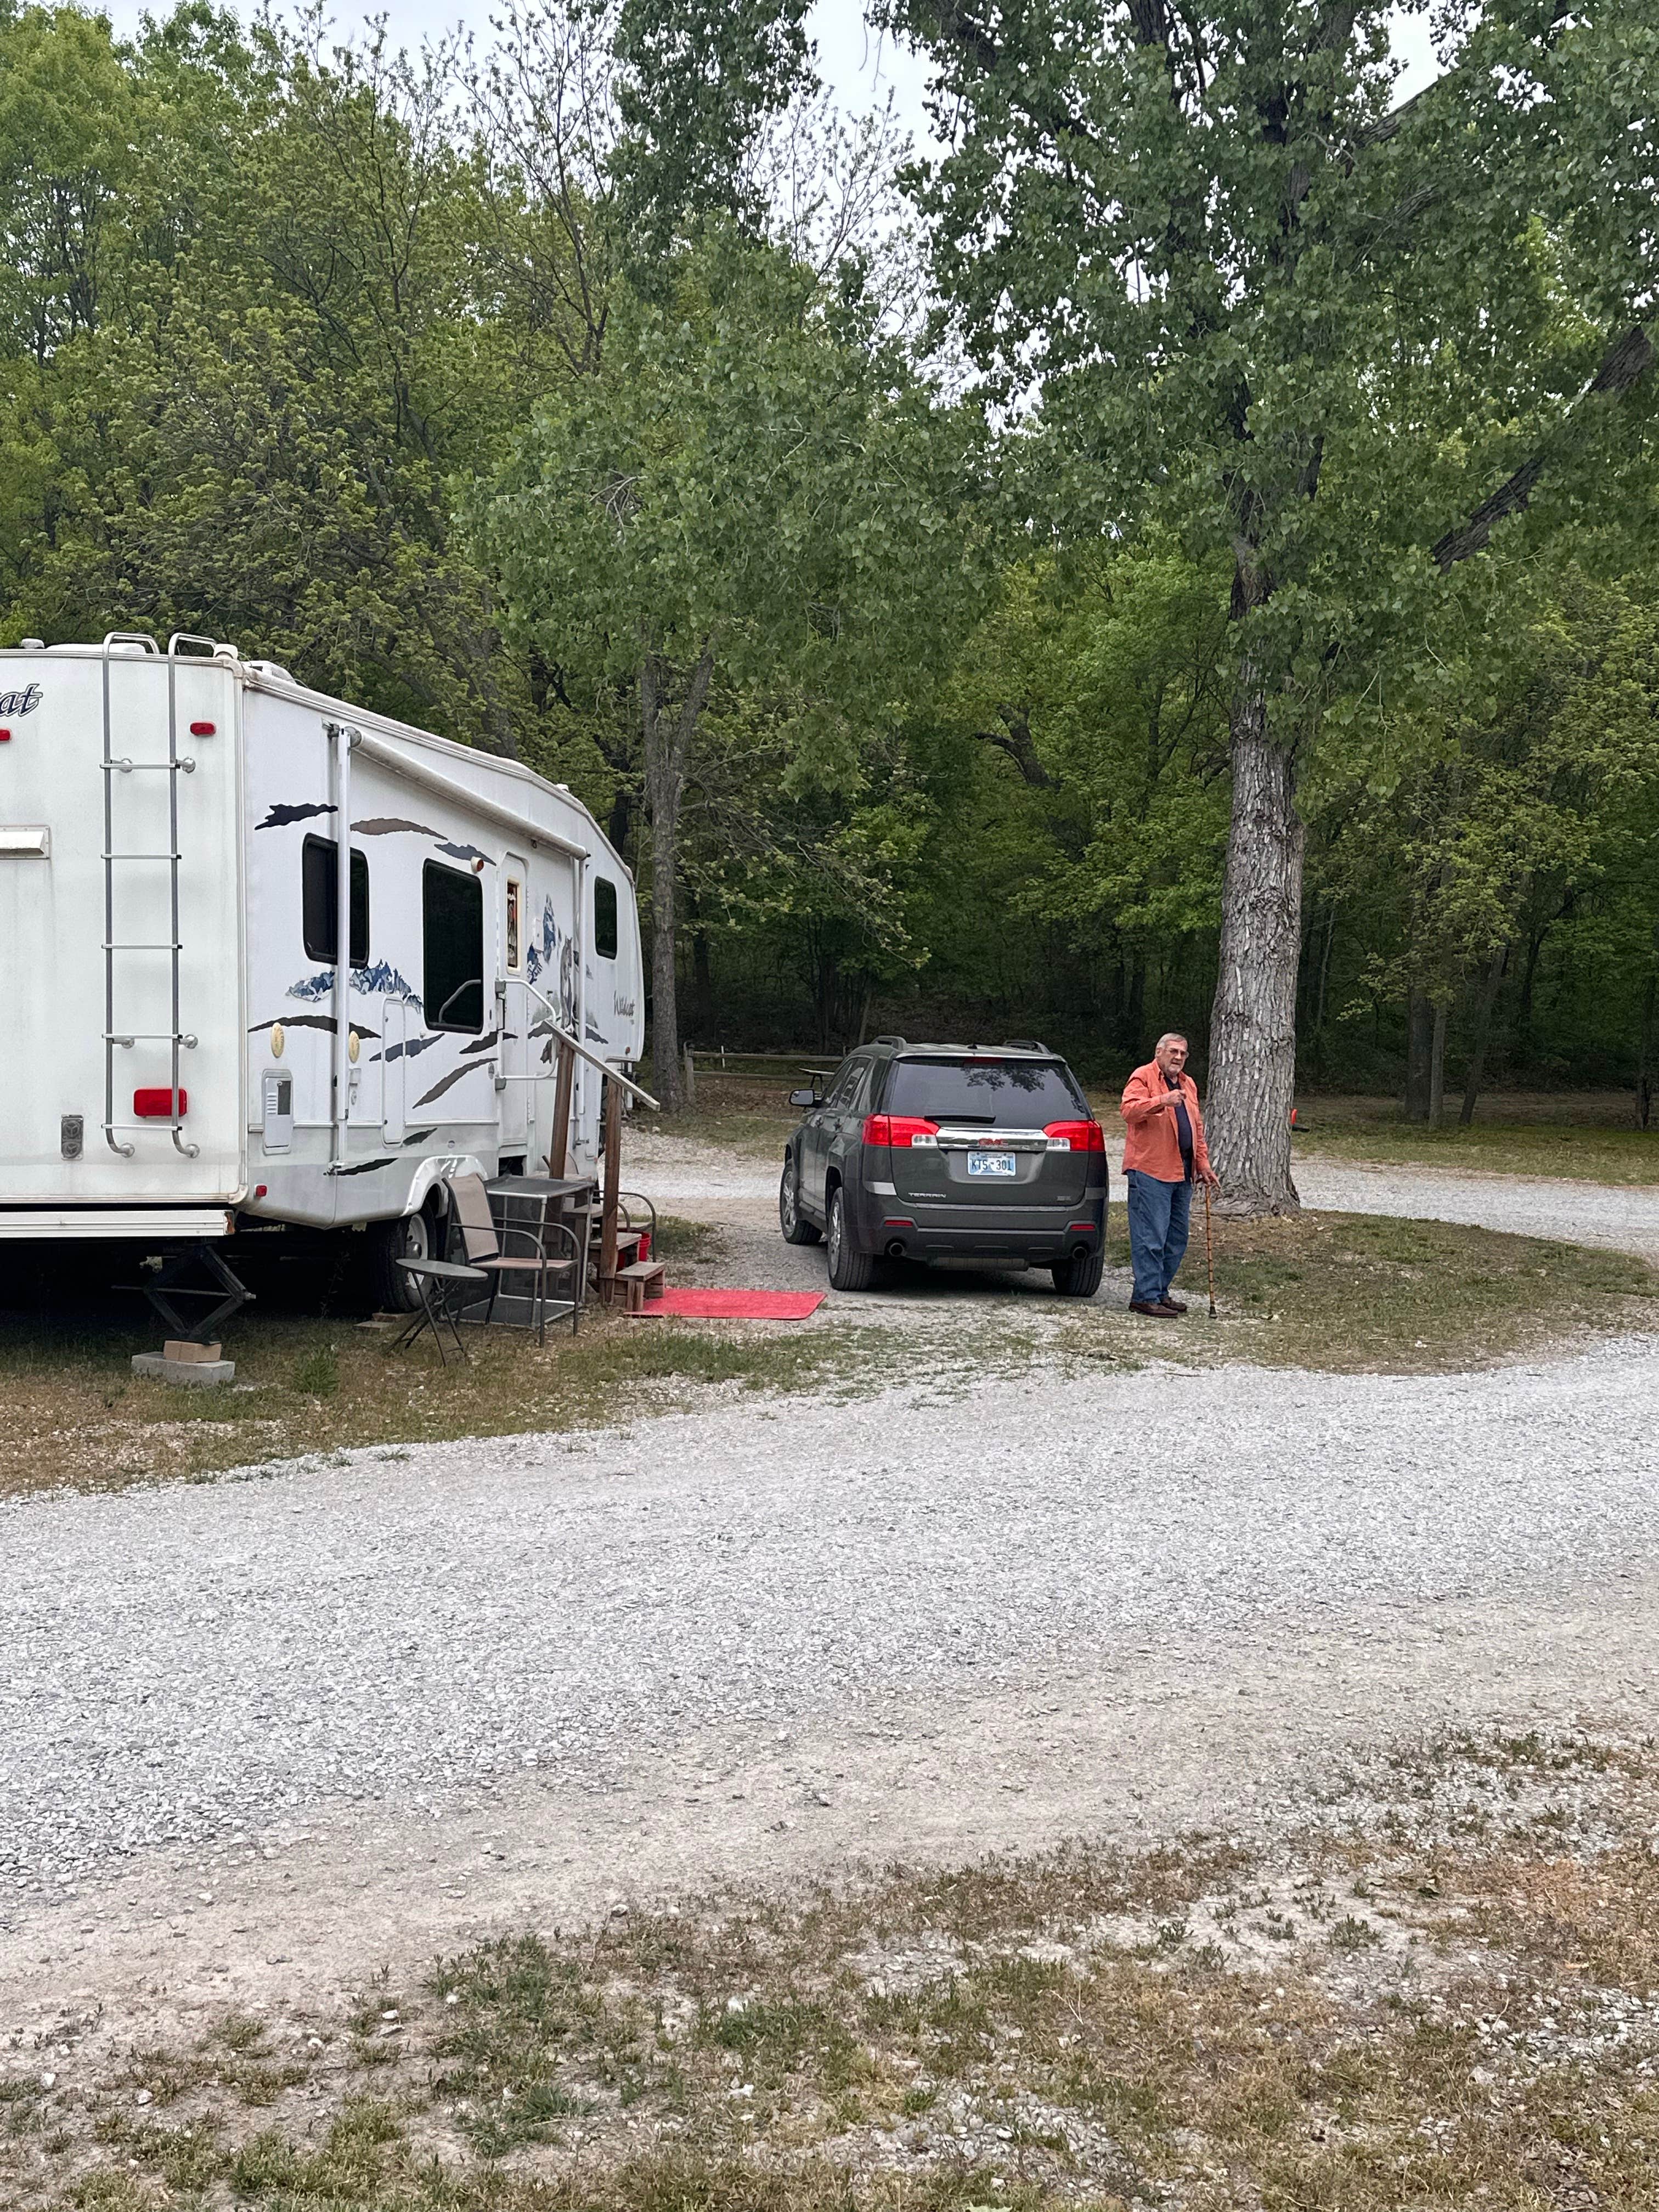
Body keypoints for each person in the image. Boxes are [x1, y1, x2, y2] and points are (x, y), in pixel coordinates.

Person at [1120, 1032, 1218, 1318]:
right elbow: (1128, 1111)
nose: (1178, 1058)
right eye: (1173, 1051)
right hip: (1150, 1170)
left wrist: (1203, 1163)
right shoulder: (1143, 1077)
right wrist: (1162, 1100)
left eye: (1183, 1054)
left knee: (1176, 1239)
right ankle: (1145, 1297)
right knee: (1151, 1237)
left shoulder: (1188, 1084)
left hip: (1181, 1173)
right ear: (1159, 1051)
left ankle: (1159, 1293)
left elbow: (1196, 1128)